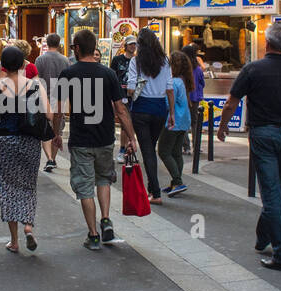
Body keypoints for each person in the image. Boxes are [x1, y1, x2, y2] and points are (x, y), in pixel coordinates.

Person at [218, 20, 281, 271]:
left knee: (272, 195)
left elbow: (232, 102)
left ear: (267, 43)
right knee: (275, 190)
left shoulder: (253, 70)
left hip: (262, 135)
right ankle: (263, 237)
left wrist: (223, 125)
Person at [58, 28, 137, 249]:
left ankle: (93, 235)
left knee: (84, 188)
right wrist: (131, 137)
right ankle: (105, 219)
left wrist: (55, 133)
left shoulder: (68, 74)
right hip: (105, 137)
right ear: (94, 48)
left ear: (76, 48)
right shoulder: (108, 73)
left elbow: (58, 109)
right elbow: (120, 109)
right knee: (103, 179)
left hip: (81, 138)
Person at [0, 45, 50, 253]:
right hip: (30, 141)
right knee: (29, 185)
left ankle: (14, 241)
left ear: (3, 66)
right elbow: (49, 114)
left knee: (8, 188)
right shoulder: (35, 85)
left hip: (5, 142)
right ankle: (28, 226)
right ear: (23, 64)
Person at [128, 29, 176, 206]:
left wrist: (128, 92)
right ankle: (152, 189)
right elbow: (170, 88)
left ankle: (155, 192)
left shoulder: (136, 62)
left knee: (147, 151)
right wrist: (171, 113)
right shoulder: (165, 61)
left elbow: (132, 87)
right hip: (159, 109)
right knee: (151, 148)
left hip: (141, 108)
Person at [157, 50, 194, 196]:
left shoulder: (173, 82)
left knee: (164, 151)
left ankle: (177, 181)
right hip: (184, 120)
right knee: (176, 152)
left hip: (172, 121)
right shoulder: (184, 81)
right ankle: (175, 182)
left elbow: (167, 102)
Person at [35, 33, 70, 172]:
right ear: (59, 43)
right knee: (58, 130)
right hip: (61, 98)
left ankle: (49, 158)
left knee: (45, 129)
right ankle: (53, 159)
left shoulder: (40, 59)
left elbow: (37, 80)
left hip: (45, 98)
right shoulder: (65, 60)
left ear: (47, 44)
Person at [182, 44, 205, 155]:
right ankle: (197, 145)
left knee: (183, 122)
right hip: (195, 97)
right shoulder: (198, 69)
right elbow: (202, 83)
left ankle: (186, 146)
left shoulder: (181, 68)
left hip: (183, 98)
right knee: (194, 122)